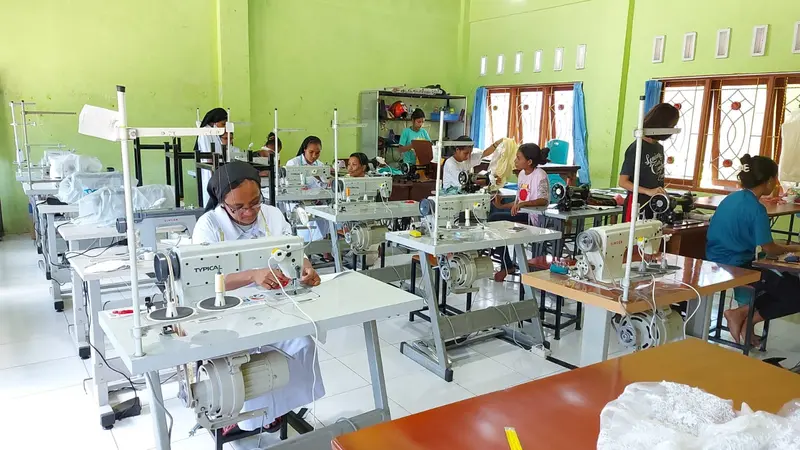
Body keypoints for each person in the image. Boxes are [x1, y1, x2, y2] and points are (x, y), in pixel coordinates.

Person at [191, 161, 324, 435]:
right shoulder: (208, 226)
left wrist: (306, 266)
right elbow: (202, 281)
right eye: (238, 207)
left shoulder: (272, 215)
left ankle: (280, 409)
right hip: (226, 309)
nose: (249, 212)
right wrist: (251, 275)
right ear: (222, 203)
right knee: (242, 358)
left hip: (273, 302)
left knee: (302, 342)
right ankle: (240, 415)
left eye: (255, 202)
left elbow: (294, 251)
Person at [706, 155, 800, 345]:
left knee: (783, 285)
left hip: (714, 260)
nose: (776, 183)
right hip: (737, 265)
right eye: (775, 178)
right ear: (767, 181)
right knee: (795, 294)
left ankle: (743, 314)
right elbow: (770, 249)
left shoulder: (731, 198)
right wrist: (794, 248)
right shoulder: (757, 209)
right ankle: (744, 318)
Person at [490, 143, 551, 281]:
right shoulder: (522, 174)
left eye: (518, 158)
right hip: (523, 211)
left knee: (495, 220)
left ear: (529, 162)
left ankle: (507, 265)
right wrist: (501, 206)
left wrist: (523, 204)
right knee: (494, 215)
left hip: (534, 216)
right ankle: (506, 264)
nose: (515, 161)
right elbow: (518, 203)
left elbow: (543, 200)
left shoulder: (540, 175)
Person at [618, 103, 679, 222]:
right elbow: (623, 182)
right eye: (671, 126)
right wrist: (648, 191)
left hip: (654, 204)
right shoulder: (637, 148)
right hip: (637, 204)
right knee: (634, 239)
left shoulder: (658, 148)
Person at [284, 136, 331, 247]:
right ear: (304, 149)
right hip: (297, 202)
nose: (314, 156)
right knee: (307, 218)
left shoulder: (319, 165)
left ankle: (323, 246)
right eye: (311, 152)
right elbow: (288, 185)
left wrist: (324, 179)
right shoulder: (293, 163)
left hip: (315, 201)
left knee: (326, 215)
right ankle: (307, 247)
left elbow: (325, 185)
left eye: (317, 153)